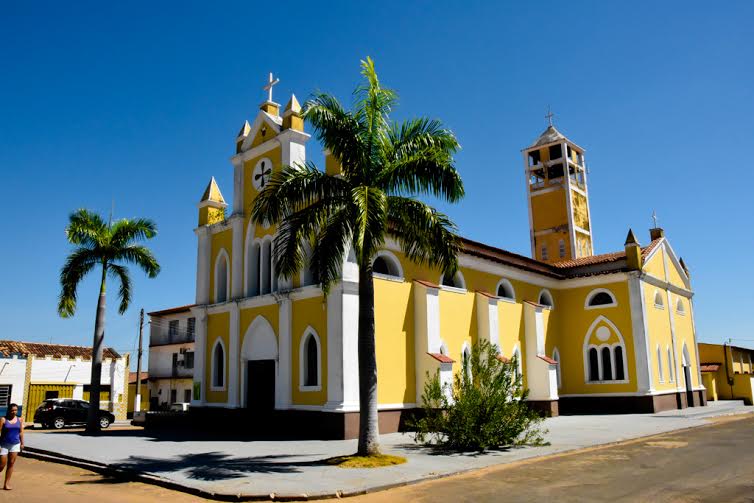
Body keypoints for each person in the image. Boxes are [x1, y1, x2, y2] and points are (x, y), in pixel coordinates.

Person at [0, 403, 23, 490]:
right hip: (4, 444)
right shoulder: (3, 419)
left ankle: (6, 484)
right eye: (12, 410)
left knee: (11, 464)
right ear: (9, 410)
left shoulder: (19, 419)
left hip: (15, 444)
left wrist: (22, 443)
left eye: (15, 410)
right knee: (1, 465)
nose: (14, 412)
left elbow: (21, 432)